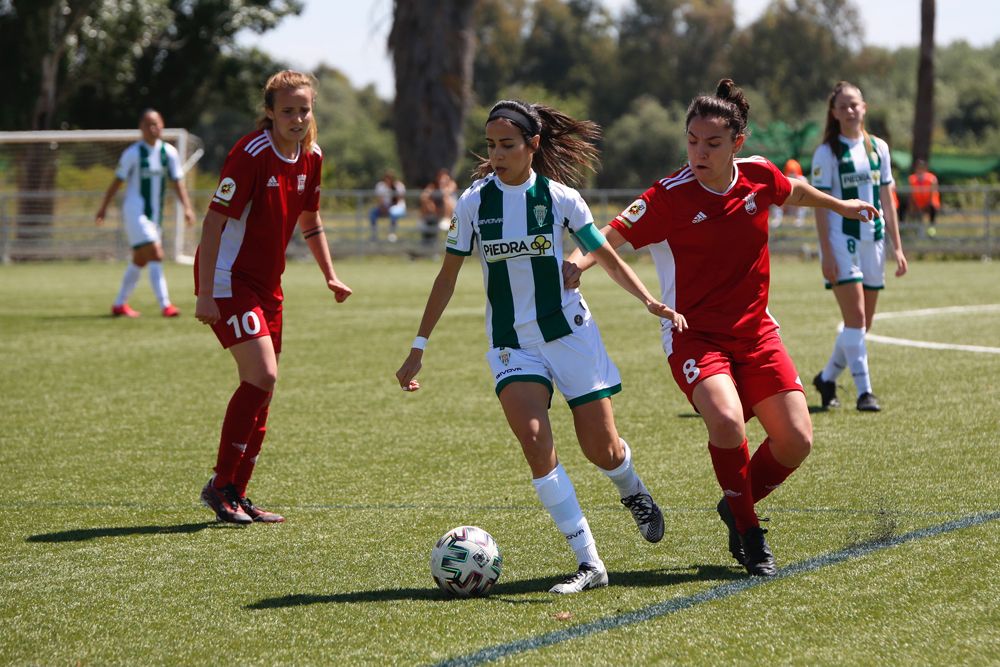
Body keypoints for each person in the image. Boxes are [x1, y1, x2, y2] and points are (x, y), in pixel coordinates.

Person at [563, 79, 879, 577]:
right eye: (691, 140)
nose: (699, 152)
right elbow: (613, 232)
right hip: (694, 334)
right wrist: (579, 261)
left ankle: (735, 504)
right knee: (728, 423)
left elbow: (791, 189)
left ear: (738, 143)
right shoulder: (668, 195)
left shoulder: (757, 176)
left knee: (796, 440)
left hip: (756, 333)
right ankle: (751, 536)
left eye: (712, 143)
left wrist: (841, 206)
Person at [396, 100, 686, 594]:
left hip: (570, 335)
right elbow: (447, 277)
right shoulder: (472, 203)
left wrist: (649, 301)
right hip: (512, 344)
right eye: (491, 145)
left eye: (508, 144)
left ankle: (632, 489)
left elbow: (604, 253)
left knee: (603, 450)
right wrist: (418, 345)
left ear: (533, 145)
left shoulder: (560, 198)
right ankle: (590, 563)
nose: (498, 154)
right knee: (535, 441)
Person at [194, 70, 353, 524]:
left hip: (268, 284)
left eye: (304, 109)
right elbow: (212, 224)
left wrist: (330, 275)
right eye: (288, 110)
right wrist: (206, 294)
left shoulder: (312, 156)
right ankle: (220, 484)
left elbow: (311, 219)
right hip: (228, 279)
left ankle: (237, 493)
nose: (298, 118)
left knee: (265, 387)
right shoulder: (251, 153)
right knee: (261, 375)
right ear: (270, 112)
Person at [810, 81, 908, 413]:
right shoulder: (826, 153)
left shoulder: (878, 147)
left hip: (874, 241)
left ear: (865, 107)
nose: (851, 110)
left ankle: (826, 378)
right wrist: (826, 251)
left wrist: (897, 246)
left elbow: (887, 199)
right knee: (855, 318)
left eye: (855, 104)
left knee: (863, 324)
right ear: (834, 114)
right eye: (844, 106)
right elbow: (821, 206)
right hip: (841, 241)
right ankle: (865, 392)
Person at [95, 109, 195, 317]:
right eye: (148, 124)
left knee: (140, 260)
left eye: (156, 124)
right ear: (141, 127)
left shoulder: (169, 153)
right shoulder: (132, 153)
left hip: (154, 216)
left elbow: (177, 182)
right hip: (135, 212)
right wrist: (103, 207)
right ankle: (165, 305)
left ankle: (119, 304)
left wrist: (186, 207)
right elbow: (117, 182)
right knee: (156, 253)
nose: (153, 128)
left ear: (162, 125)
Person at [418, 168, 458, 249]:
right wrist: (430, 203)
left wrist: (441, 186)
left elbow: (446, 193)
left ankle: (445, 218)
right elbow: (423, 196)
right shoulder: (433, 186)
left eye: (444, 177)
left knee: (446, 199)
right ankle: (425, 219)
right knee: (427, 202)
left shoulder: (452, 184)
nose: (442, 179)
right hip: (436, 213)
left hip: (452, 214)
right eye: (440, 177)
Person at [370, 170, 406, 242]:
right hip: (384, 207)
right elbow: (380, 200)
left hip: (397, 207)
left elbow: (399, 200)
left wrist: (389, 208)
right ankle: (374, 234)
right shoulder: (380, 186)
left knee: (393, 213)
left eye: (390, 178)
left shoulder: (398, 186)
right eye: (387, 178)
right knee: (372, 213)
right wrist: (384, 207)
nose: (388, 180)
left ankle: (392, 234)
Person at [907, 159, 941, 232]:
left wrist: (927, 204)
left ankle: (932, 229)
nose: (920, 170)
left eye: (922, 168)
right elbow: (911, 195)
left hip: (929, 203)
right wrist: (913, 205)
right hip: (917, 203)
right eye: (918, 168)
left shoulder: (931, 179)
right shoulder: (912, 179)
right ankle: (913, 230)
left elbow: (932, 194)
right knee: (908, 209)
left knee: (932, 208)